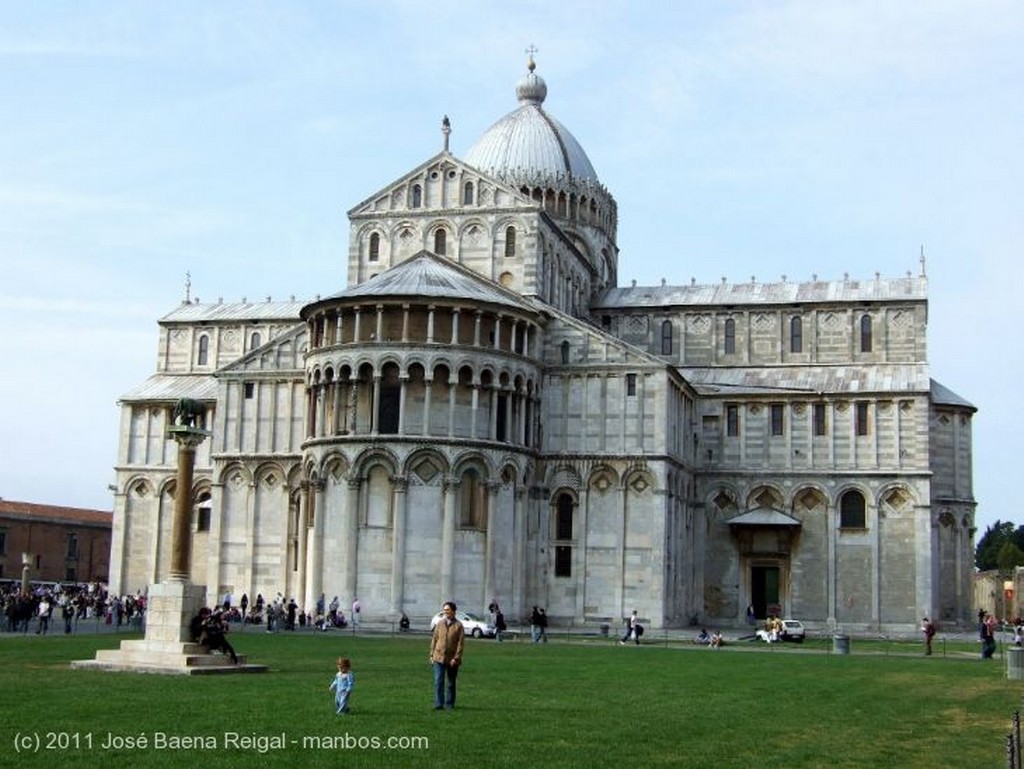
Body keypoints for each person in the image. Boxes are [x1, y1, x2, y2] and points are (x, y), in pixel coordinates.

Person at [429, 601, 464, 710]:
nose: (445, 612)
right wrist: (431, 655)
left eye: (447, 610)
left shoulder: (459, 626)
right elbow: (434, 639)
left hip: (452, 659)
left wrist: (456, 658)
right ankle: (439, 704)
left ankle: (449, 704)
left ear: (453, 611)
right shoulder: (440, 623)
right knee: (438, 681)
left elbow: (460, 643)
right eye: (444, 610)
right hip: (438, 657)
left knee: (451, 683)